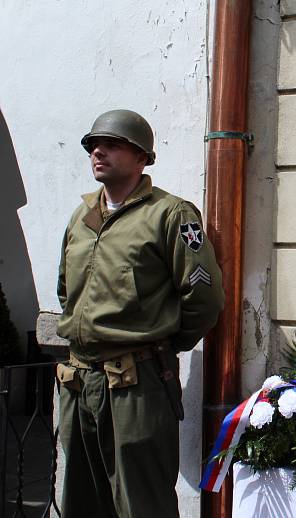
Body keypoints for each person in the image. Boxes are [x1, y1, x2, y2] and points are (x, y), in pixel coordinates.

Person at [56, 109, 225, 517]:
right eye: (93, 145)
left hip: (137, 382)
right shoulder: (83, 217)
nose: (98, 151)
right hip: (80, 380)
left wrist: (164, 344)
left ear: (142, 157)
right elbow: (67, 290)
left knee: (141, 502)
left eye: (112, 144)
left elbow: (204, 297)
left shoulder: (170, 215)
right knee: (81, 499)